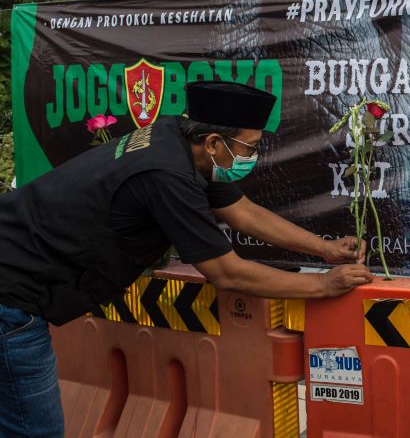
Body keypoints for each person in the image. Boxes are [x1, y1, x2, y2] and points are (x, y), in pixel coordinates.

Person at [0, 80, 373, 437]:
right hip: (11, 297)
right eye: (249, 147)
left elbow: (244, 213)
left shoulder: (178, 142)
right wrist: (323, 284)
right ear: (213, 141)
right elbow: (227, 273)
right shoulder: (167, 175)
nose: (252, 156)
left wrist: (323, 249)